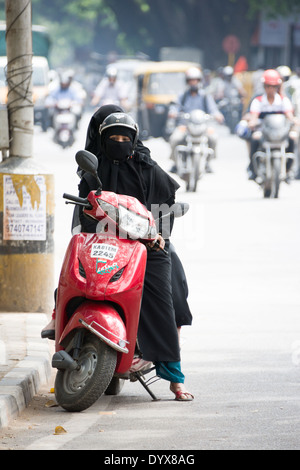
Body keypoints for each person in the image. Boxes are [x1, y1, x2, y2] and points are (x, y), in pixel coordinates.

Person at [42, 105, 193, 401]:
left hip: (145, 244)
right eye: (113, 137)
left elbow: (166, 207)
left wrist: (158, 234)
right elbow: (84, 211)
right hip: (102, 241)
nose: (120, 143)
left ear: (134, 139)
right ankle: (60, 320)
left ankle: (174, 377)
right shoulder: (94, 168)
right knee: (72, 271)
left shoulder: (149, 168)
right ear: (102, 137)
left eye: (126, 138)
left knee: (163, 297)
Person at [242, 69, 298, 180]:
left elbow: (289, 115)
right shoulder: (258, 100)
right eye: (268, 86)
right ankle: (253, 168)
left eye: (273, 86)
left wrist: (294, 120)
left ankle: (288, 169)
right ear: (264, 86)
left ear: (277, 87)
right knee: (254, 138)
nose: (270, 89)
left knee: (292, 138)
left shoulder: (283, 100)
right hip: (264, 132)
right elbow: (254, 116)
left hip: (280, 132)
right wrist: (252, 122)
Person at [169, 66, 224, 173]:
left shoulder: (205, 96)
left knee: (213, 138)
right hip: (185, 126)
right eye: (191, 80)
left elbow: (213, 109)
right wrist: (173, 112)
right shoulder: (182, 95)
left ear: (199, 81)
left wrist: (218, 115)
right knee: (174, 139)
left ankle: (207, 162)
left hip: (202, 126)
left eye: (195, 80)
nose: (193, 83)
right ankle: (176, 163)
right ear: (187, 82)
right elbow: (175, 107)